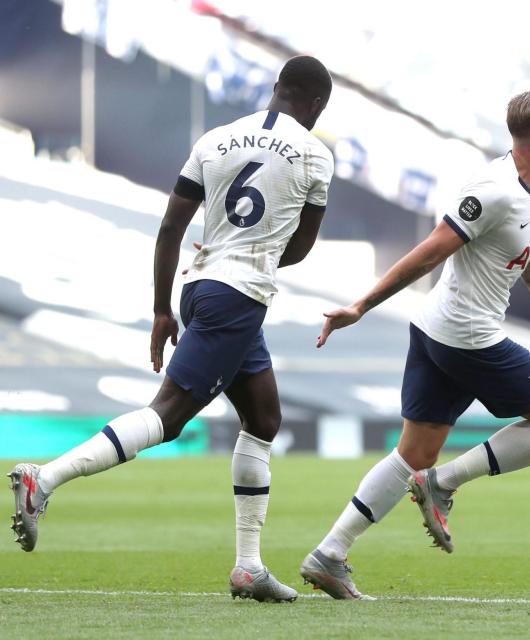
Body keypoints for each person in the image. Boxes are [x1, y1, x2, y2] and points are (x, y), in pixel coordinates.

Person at [7, 56, 335, 604]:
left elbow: (170, 225)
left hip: (201, 286)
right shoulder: (316, 156)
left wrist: (162, 309)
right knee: (169, 414)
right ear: (318, 105)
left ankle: (248, 567)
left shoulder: (216, 139)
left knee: (264, 417)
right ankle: (46, 478)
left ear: (276, 88)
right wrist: (265, 247)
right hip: (241, 295)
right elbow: (298, 248)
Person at [298, 88, 530, 599]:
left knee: (412, 453)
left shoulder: (525, 183)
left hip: (436, 331)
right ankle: (442, 483)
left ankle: (329, 554)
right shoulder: (494, 189)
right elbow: (430, 252)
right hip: (468, 336)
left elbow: (521, 238)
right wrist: (361, 305)